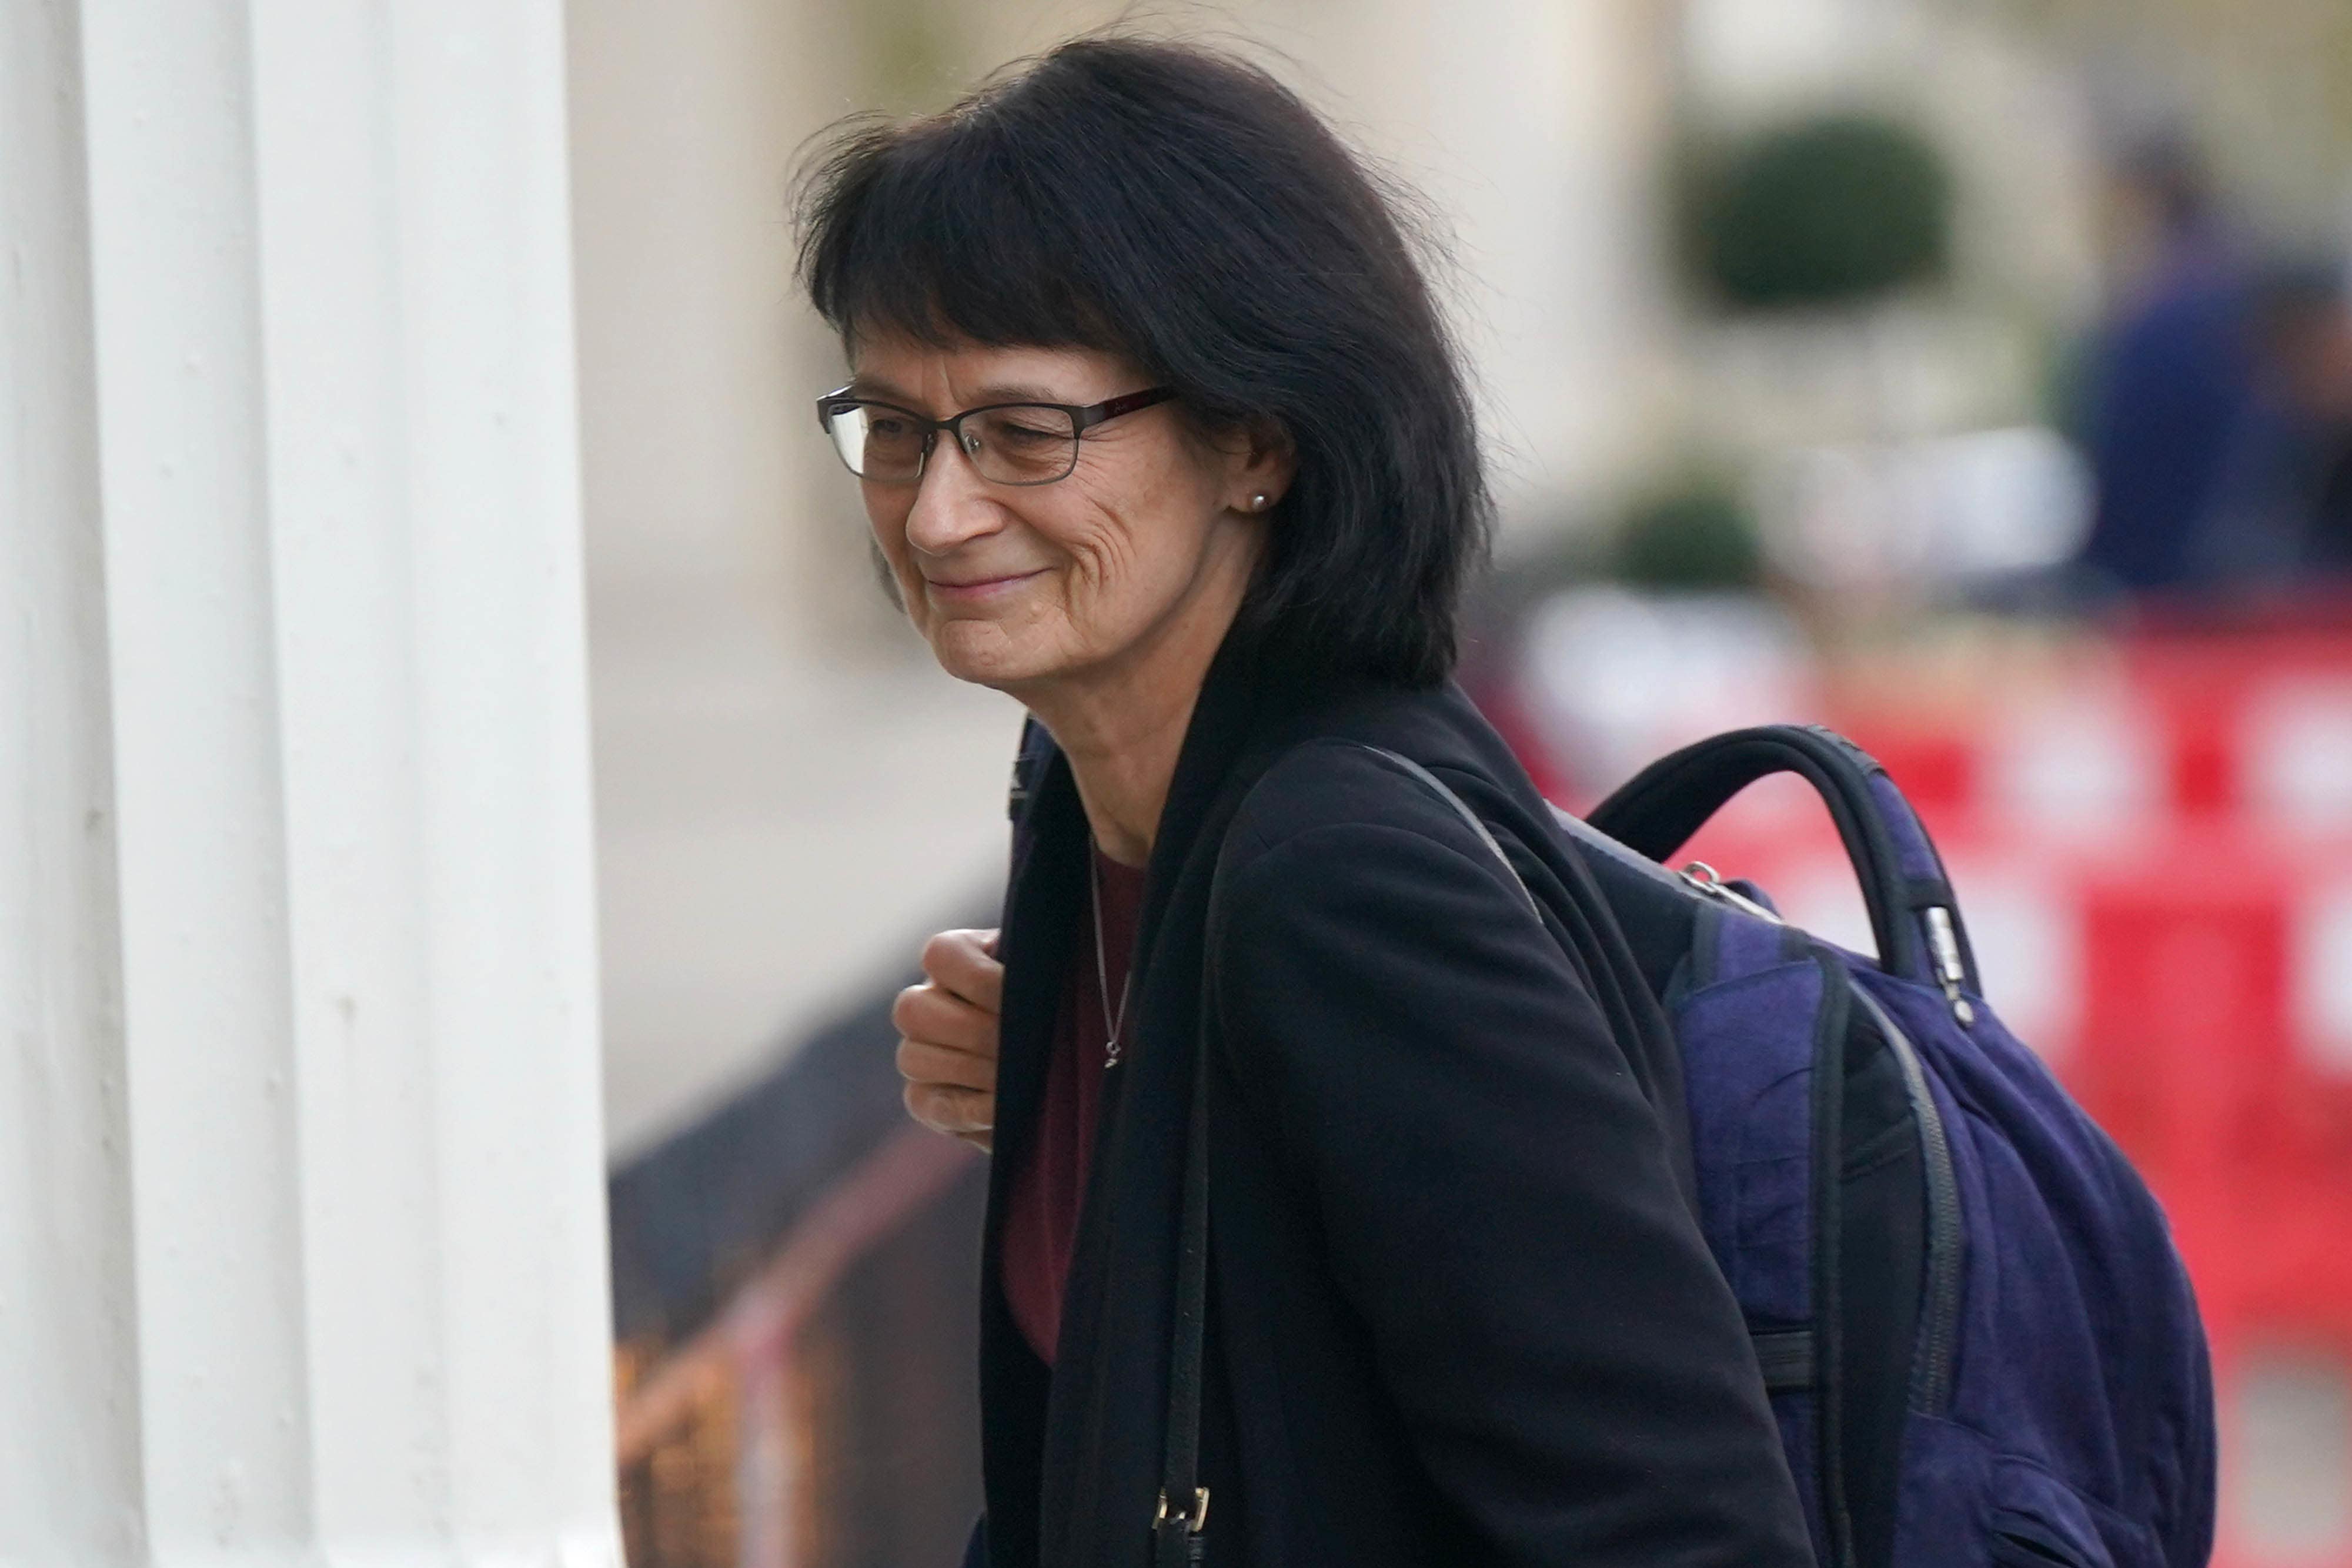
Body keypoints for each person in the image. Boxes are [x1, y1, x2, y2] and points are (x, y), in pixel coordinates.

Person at [799, 36, 1812, 1567]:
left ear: (1256, 441)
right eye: (890, 427)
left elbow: (1678, 1528)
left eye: (1023, 431)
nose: (936, 510)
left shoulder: (1340, 872)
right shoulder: (1107, 813)